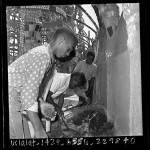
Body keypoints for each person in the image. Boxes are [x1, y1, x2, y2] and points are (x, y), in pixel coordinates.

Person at [8, 27, 78, 139]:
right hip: (11, 100)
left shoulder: (47, 57)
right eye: (69, 49)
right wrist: (39, 130)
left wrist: (41, 103)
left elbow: (29, 88)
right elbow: (28, 96)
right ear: (61, 40)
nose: (68, 54)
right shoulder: (42, 56)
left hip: (15, 100)